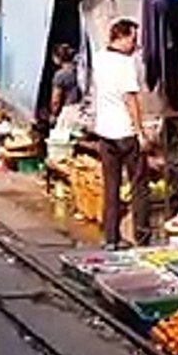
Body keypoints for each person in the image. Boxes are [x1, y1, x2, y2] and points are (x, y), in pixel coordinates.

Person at [93, 18, 151, 248]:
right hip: (125, 132)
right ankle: (142, 236)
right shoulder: (124, 64)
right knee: (139, 185)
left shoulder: (99, 58)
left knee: (111, 186)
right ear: (123, 37)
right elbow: (130, 99)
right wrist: (140, 132)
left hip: (105, 132)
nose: (135, 45)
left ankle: (111, 238)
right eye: (133, 39)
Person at [48, 43, 82, 121]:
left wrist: (53, 115)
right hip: (82, 111)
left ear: (57, 58)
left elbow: (55, 100)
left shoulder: (60, 75)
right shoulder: (81, 71)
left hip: (69, 111)